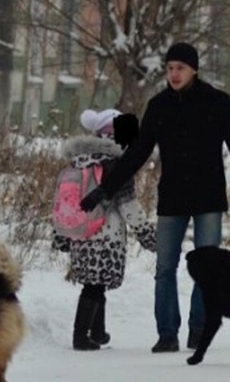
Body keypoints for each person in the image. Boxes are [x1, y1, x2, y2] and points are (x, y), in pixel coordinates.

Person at [80, 42, 230, 353]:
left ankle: (199, 329)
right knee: (164, 268)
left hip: (209, 197)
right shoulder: (159, 106)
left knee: (209, 268)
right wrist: (106, 188)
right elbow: (138, 152)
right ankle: (167, 333)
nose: (173, 74)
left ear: (194, 70)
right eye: (170, 68)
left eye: (180, 68)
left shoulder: (217, 102)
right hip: (172, 197)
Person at [54, 108, 157, 350]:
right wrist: (147, 235)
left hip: (80, 233)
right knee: (93, 287)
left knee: (95, 284)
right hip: (106, 235)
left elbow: (63, 201)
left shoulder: (78, 161)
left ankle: (98, 332)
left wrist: (61, 235)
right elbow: (129, 206)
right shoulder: (117, 165)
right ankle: (80, 337)